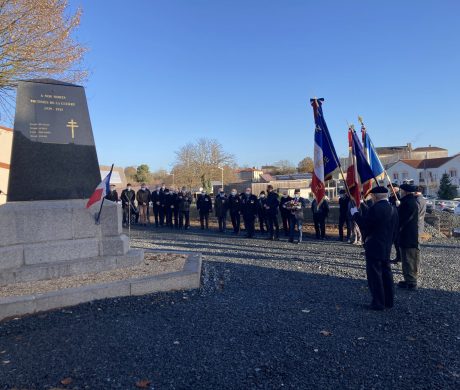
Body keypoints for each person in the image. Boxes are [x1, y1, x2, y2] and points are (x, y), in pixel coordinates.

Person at [351, 187, 399, 311]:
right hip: (386, 245)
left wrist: (355, 214)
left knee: (375, 275)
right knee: (386, 274)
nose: (371, 197)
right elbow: (394, 229)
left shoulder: (376, 208)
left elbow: (365, 224)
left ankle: (378, 303)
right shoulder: (393, 208)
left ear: (376, 196)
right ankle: (389, 301)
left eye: (372, 196)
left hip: (374, 245)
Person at [397, 183, 420, 290]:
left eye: (401, 191)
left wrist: (397, 208)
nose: (400, 193)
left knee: (409, 258)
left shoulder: (408, 203)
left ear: (405, 192)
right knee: (407, 257)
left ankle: (411, 282)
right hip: (409, 234)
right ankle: (408, 279)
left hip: (408, 234)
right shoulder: (410, 201)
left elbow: (401, 218)